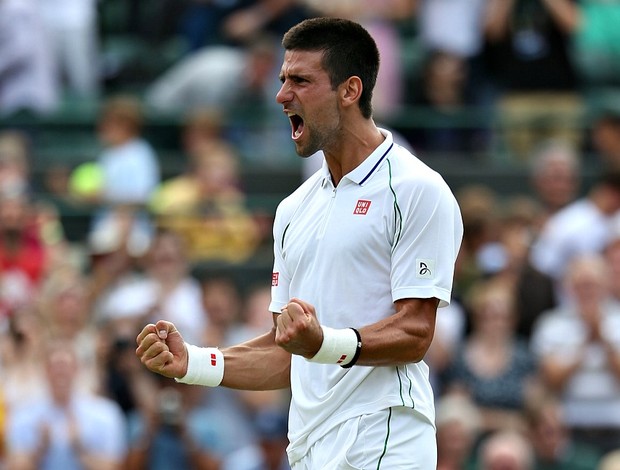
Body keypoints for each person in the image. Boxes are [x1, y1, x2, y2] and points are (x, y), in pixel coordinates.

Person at [136, 17, 463, 469]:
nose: (281, 95)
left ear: (350, 91)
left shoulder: (417, 189)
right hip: (310, 447)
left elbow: (415, 333)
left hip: (386, 434)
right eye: (282, 79)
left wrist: (322, 343)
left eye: (300, 80)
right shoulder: (292, 210)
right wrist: (191, 362)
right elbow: (284, 352)